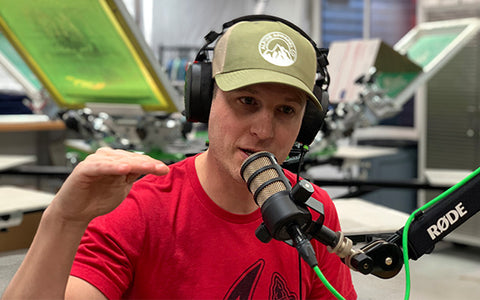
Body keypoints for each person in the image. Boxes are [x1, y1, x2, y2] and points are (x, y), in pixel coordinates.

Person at [2, 17, 357, 300]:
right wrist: (63, 220)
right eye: (246, 101)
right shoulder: (137, 207)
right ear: (204, 100)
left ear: (306, 125)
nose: (263, 130)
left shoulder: (312, 214)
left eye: (286, 110)